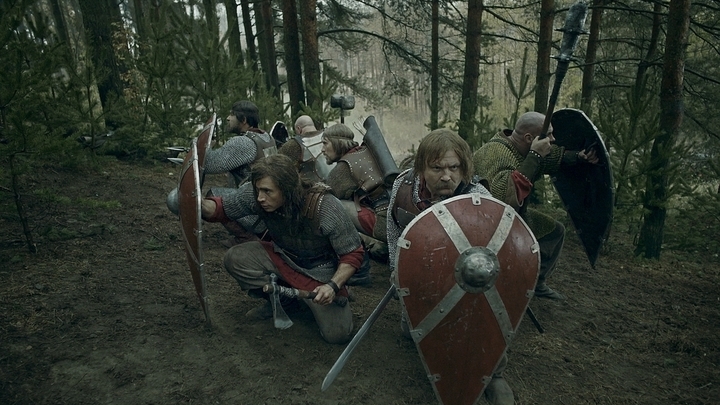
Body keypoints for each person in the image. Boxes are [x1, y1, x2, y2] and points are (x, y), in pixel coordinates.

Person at [386, 129, 514, 405]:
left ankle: (495, 372)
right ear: (421, 168)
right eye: (437, 168)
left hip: (466, 281)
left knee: (482, 315)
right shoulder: (404, 186)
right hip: (422, 276)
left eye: (454, 167)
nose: (446, 176)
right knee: (412, 333)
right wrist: (397, 271)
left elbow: (495, 257)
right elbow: (395, 231)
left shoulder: (479, 197)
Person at [200, 154, 365, 344]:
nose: (260, 197)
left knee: (337, 335)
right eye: (258, 190)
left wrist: (333, 286)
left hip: (321, 274)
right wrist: (198, 205)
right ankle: (283, 302)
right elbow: (224, 207)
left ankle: (319, 297)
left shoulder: (325, 206)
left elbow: (352, 253)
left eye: (268, 191)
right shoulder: (257, 196)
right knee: (236, 258)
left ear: (287, 189)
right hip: (282, 257)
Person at [472, 111, 599, 301]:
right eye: (548, 135)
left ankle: (536, 284)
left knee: (554, 231)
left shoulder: (518, 147)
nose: (553, 139)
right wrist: (534, 155)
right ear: (529, 138)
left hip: (509, 215)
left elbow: (545, 158)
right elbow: (501, 198)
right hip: (485, 222)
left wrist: (577, 157)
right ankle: (514, 284)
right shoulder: (497, 154)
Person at [321, 123, 390, 262]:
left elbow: (324, 195)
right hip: (389, 217)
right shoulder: (363, 152)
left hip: (382, 224)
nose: (322, 150)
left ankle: (356, 260)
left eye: (325, 143)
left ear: (337, 143)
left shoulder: (344, 166)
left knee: (329, 205)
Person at [278, 115, 334, 182]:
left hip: (311, 189)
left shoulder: (293, 145)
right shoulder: (331, 136)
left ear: (299, 128)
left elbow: (280, 168)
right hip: (336, 182)